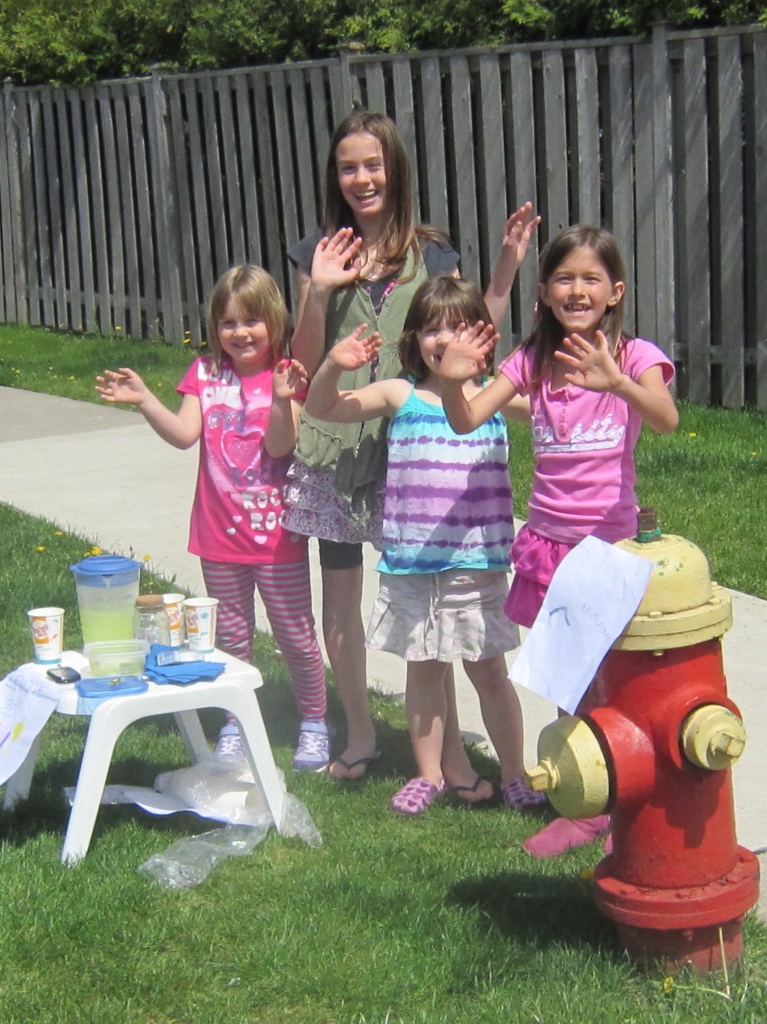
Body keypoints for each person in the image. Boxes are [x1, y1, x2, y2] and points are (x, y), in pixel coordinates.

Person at [285, 109, 539, 780]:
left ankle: (450, 753)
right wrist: (320, 292)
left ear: (395, 168)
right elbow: (302, 364)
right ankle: (362, 733)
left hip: (412, 451)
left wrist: (507, 273)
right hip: (336, 446)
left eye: (373, 164)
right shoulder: (319, 252)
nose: (362, 178)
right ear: (333, 176)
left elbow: (466, 336)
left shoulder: (436, 255)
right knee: (338, 597)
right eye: (348, 166)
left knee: (431, 602)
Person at [439, 224, 679, 853]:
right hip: (549, 545)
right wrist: (450, 376)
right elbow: (466, 419)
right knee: (567, 682)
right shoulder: (531, 361)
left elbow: (668, 419)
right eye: (564, 278)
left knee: (613, 681)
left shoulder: (635, 356)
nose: (578, 289)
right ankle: (581, 803)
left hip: (608, 552)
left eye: (591, 278)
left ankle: (622, 798)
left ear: (615, 290)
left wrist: (617, 383)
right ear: (543, 291)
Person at [292, 274, 543, 814]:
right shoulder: (399, 393)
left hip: (476, 564)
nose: (444, 341)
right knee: (424, 670)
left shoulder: (495, 396)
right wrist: (334, 364)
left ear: (482, 338)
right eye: (432, 329)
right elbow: (322, 409)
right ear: (414, 338)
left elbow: (556, 411)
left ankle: (515, 774)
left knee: (490, 673)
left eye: (458, 329)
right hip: (411, 565)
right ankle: (429, 774)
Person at [95, 265, 331, 772]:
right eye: (228, 323)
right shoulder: (205, 373)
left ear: (274, 320)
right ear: (213, 327)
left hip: (275, 537)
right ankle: (234, 723)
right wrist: (144, 400)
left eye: (252, 322)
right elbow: (184, 434)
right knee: (231, 638)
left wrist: (283, 399)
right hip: (216, 534)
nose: (240, 333)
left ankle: (314, 720)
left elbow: (278, 445)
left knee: (294, 632)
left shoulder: (287, 374)